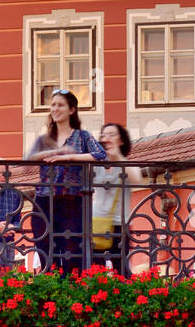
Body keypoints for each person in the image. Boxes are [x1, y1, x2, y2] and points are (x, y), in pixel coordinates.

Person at [25, 90, 106, 272]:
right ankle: (51, 292)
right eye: (53, 105)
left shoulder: (82, 136)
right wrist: (55, 153)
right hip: (45, 200)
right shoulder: (44, 140)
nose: (55, 109)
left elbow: (101, 155)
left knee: (72, 253)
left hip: (72, 201)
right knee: (46, 251)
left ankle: (72, 294)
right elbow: (28, 159)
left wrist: (72, 158)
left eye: (60, 105)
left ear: (72, 110)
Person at [92, 123, 145, 275]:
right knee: (95, 270)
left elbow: (137, 179)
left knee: (121, 269)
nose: (106, 138)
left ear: (121, 141)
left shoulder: (126, 164)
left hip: (120, 224)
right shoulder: (96, 165)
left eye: (111, 134)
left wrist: (118, 157)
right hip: (96, 224)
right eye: (103, 135)